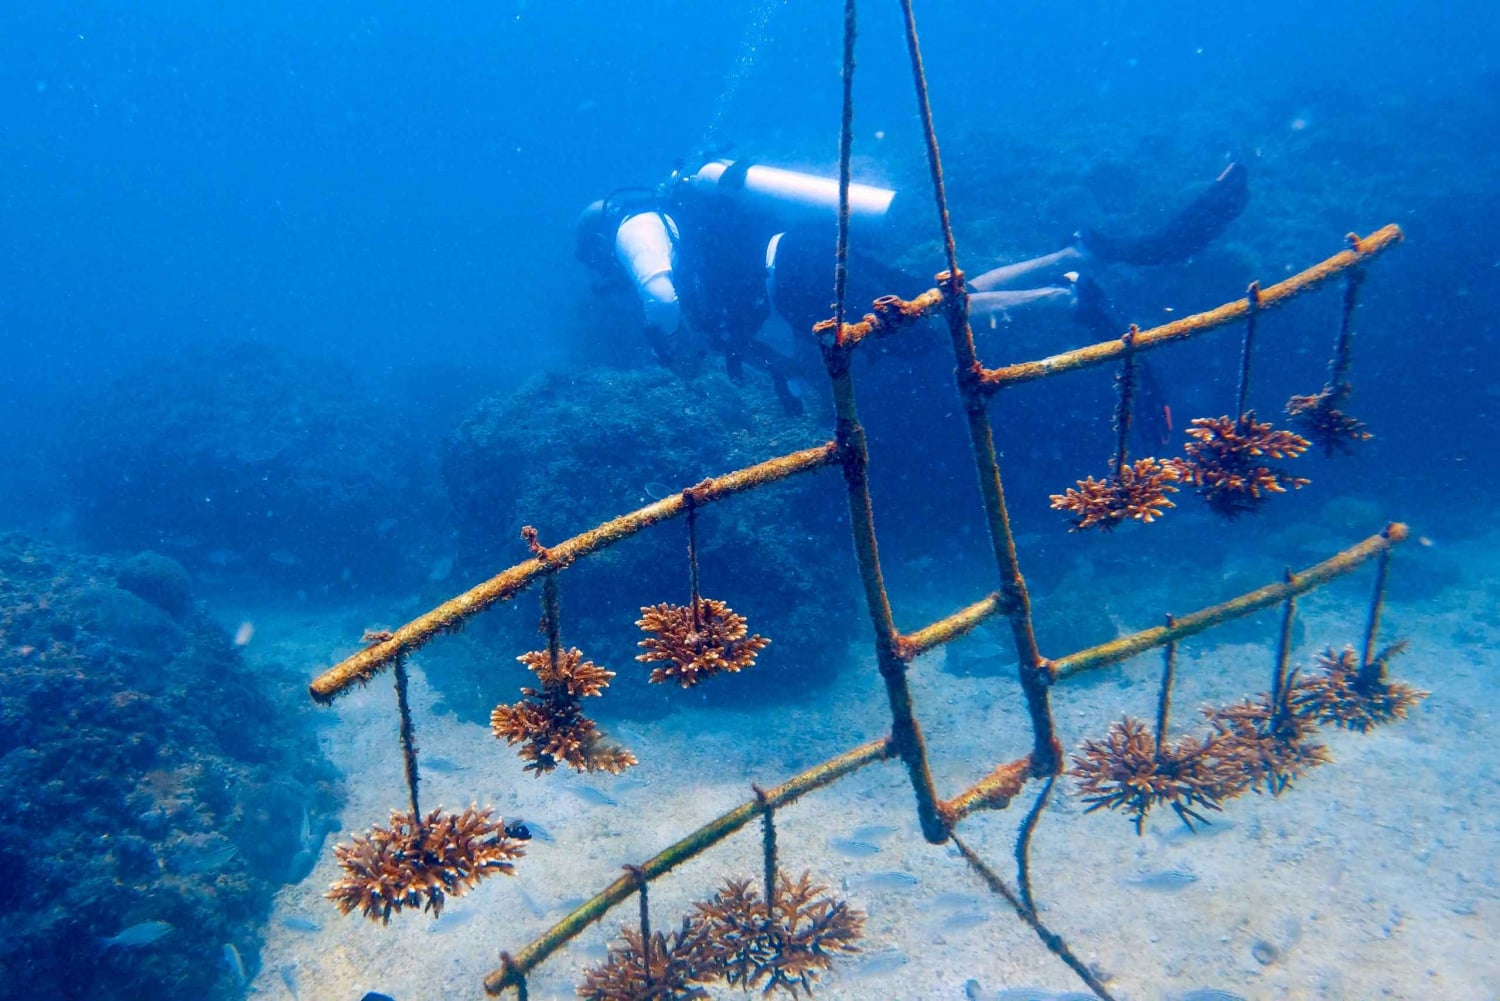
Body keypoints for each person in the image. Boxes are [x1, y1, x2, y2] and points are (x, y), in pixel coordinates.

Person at [576, 158, 1249, 421]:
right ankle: (1072, 254)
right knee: (937, 301)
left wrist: (671, 348)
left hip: (796, 277)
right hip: (803, 258)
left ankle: (1064, 296)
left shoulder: (633, 228)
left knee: (924, 329)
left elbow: (662, 299)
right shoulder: (669, 212)